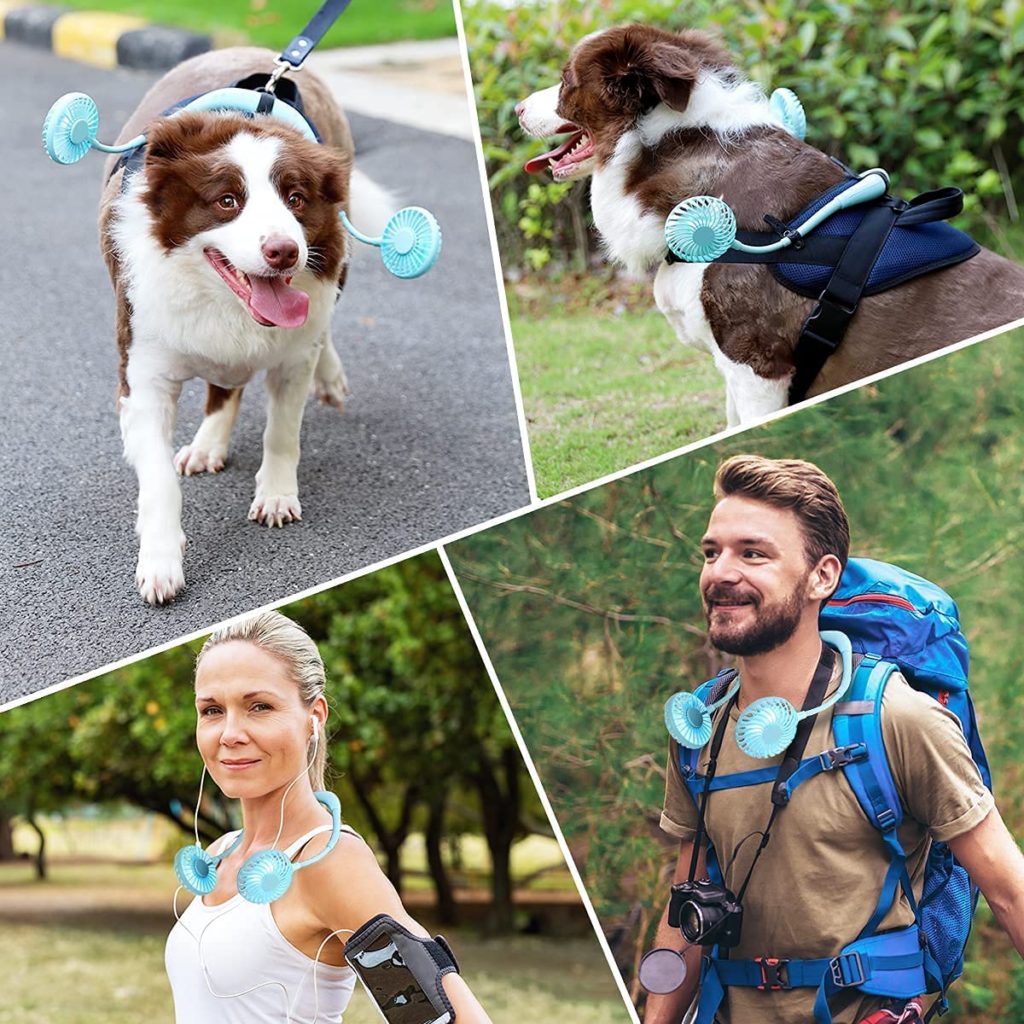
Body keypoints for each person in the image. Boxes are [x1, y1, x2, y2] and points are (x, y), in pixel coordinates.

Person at [644, 455, 1024, 1024]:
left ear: (822, 576)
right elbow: (686, 911)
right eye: (711, 551)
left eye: (753, 553)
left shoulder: (898, 719)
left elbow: (1009, 891)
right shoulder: (702, 727)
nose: (720, 572)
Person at [164, 609, 493, 1024]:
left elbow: (445, 1019)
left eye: (259, 706)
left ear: (313, 717)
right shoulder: (221, 851)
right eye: (212, 710)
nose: (230, 733)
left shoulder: (330, 862)